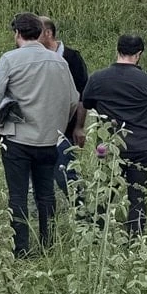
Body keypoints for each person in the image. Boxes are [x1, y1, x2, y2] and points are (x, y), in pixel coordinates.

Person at [0, 12, 79, 256]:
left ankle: (20, 249)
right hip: (49, 139)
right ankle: (48, 245)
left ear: (17, 33)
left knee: (18, 196)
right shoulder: (59, 62)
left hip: (17, 138)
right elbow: (73, 100)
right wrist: (58, 124)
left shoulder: (9, 59)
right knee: (46, 194)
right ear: (40, 33)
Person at [82, 34, 147, 236]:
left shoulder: (97, 78)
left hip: (110, 146)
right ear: (139, 54)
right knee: (138, 197)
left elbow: (87, 102)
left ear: (117, 50)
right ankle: (135, 240)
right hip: (142, 146)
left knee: (104, 193)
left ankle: (97, 235)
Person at [38, 16, 89, 195]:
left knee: (66, 174)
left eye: (36, 33)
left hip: (65, 129)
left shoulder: (72, 58)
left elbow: (82, 95)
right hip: (40, 129)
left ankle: (80, 207)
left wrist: (79, 127)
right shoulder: (35, 58)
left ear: (48, 33)